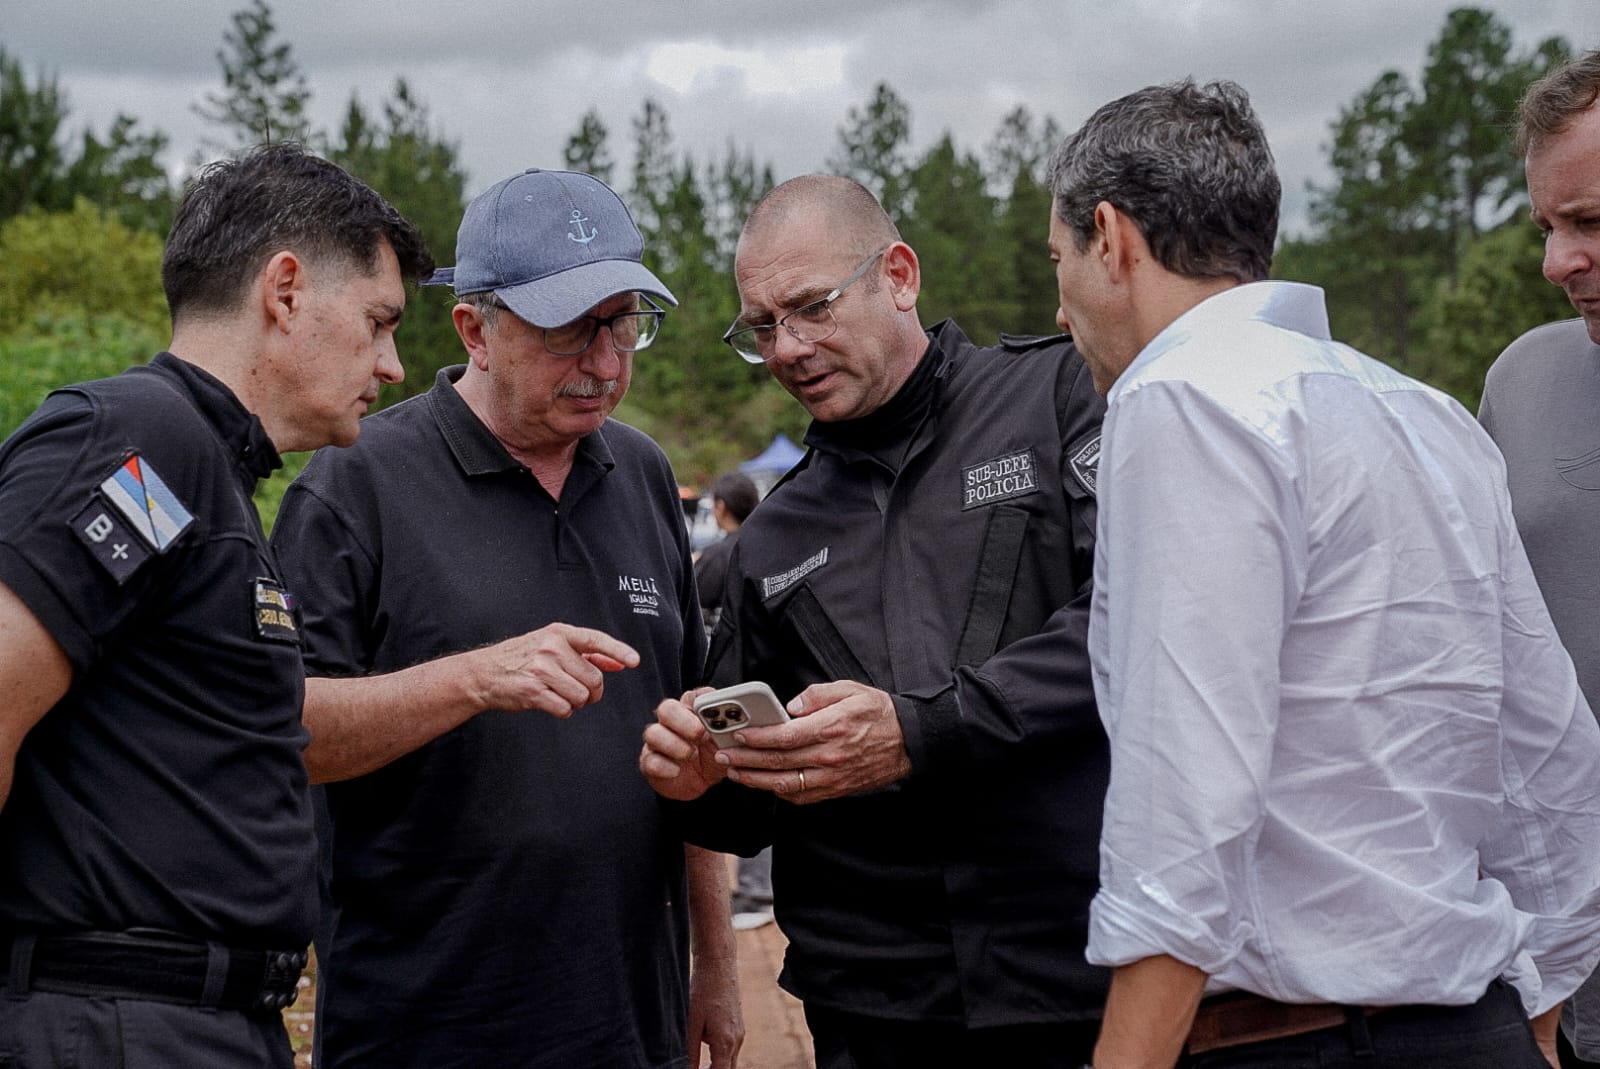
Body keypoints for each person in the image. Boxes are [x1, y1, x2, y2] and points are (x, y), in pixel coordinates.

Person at [1045, 78, 1600, 1069]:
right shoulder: (1425, 416)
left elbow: (1184, 802)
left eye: (1059, 263)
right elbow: (1553, 770)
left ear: (1110, 236)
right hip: (1477, 1026)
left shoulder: (1178, 397)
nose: (1059, 305)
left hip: (1289, 1038)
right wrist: (1540, 1016)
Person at [269, 167, 741, 1069]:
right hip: (429, 1027)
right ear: (473, 328)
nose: (604, 363)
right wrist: (473, 679)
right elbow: (283, 729)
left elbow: (692, 733)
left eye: (623, 324)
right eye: (569, 331)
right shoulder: (355, 487)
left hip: (629, 1025)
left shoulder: (642, 473)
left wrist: (713, 964)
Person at [641, 173, 1111, 1068]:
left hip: (1073, 973)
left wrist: (918, 729)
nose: (789, 347)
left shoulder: (1056, 399)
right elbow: (753, 811)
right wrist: (702, 775)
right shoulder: (773, 534)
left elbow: (1132, 628)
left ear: (899, 274)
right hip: (872, 1001)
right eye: (762, 327)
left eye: (812, 307)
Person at [0, 143, 431, 1068]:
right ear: (284, 292)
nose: (393, 365)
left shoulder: (205, 469)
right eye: (379, 321)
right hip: (119, 1021)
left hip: (190, 1021)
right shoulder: (148, 441)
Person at [1480, 49, 1600, 1069]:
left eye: (1591, 222)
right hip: (1554, 975)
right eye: (1550, 228)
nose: (1559, 263)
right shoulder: (1522, 380)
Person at [692, 470, 774, 931]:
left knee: (747, 778)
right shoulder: (773, 541)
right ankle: (759, 888)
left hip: (723, 695)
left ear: (721, 507)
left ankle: (757, 891)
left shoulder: (721, 554)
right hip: (769, 691)